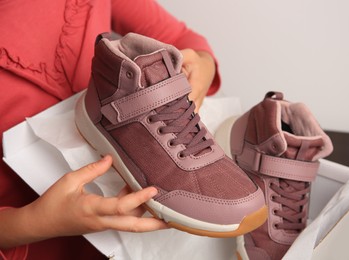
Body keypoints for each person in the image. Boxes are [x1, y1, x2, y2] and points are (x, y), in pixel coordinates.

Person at [0, 0, 220, 259]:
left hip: (142, 175)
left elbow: (179, 37)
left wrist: (202, 65)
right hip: (39, 242)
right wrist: (31, 223)